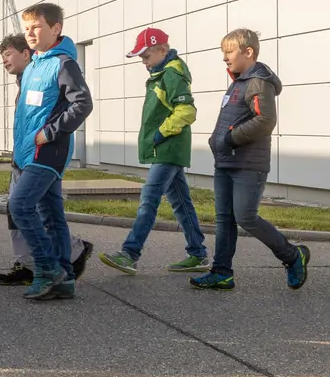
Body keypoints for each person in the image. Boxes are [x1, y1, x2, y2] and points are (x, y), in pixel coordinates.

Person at [191, 28, 310, 291]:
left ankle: (292, 256)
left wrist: (230, 139)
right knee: (224, 219)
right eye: (223, 53)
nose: (225, 58)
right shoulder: (239, 82)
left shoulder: (258, 82)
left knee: (246, 217)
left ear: (249, 52)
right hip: (226, 162)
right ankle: (221, 273)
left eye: (229, 52)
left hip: (248, 164)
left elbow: (265, 120)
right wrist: (219, 142)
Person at [98, 27, 210, 276]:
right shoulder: (162, 74)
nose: (143, 62)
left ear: (162, 50)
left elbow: (187, 111)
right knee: (181, 202)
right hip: (167, 149)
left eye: (146, 56)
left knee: (148, 200)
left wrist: (161, 133)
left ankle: (130, 253)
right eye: (141, 58)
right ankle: (198, 254)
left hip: (168, 149)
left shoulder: (172, 75)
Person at [0, 33, 93, 286]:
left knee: (26, 208)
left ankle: (60, 263)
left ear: (25, 53)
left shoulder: (56, 67)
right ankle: (34, 265)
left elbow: (80, 105)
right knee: (26, 211)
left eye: (8, 54)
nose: (4, 61)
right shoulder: (25, 80)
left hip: (43, 156)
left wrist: (48, 134)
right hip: (24, 156)